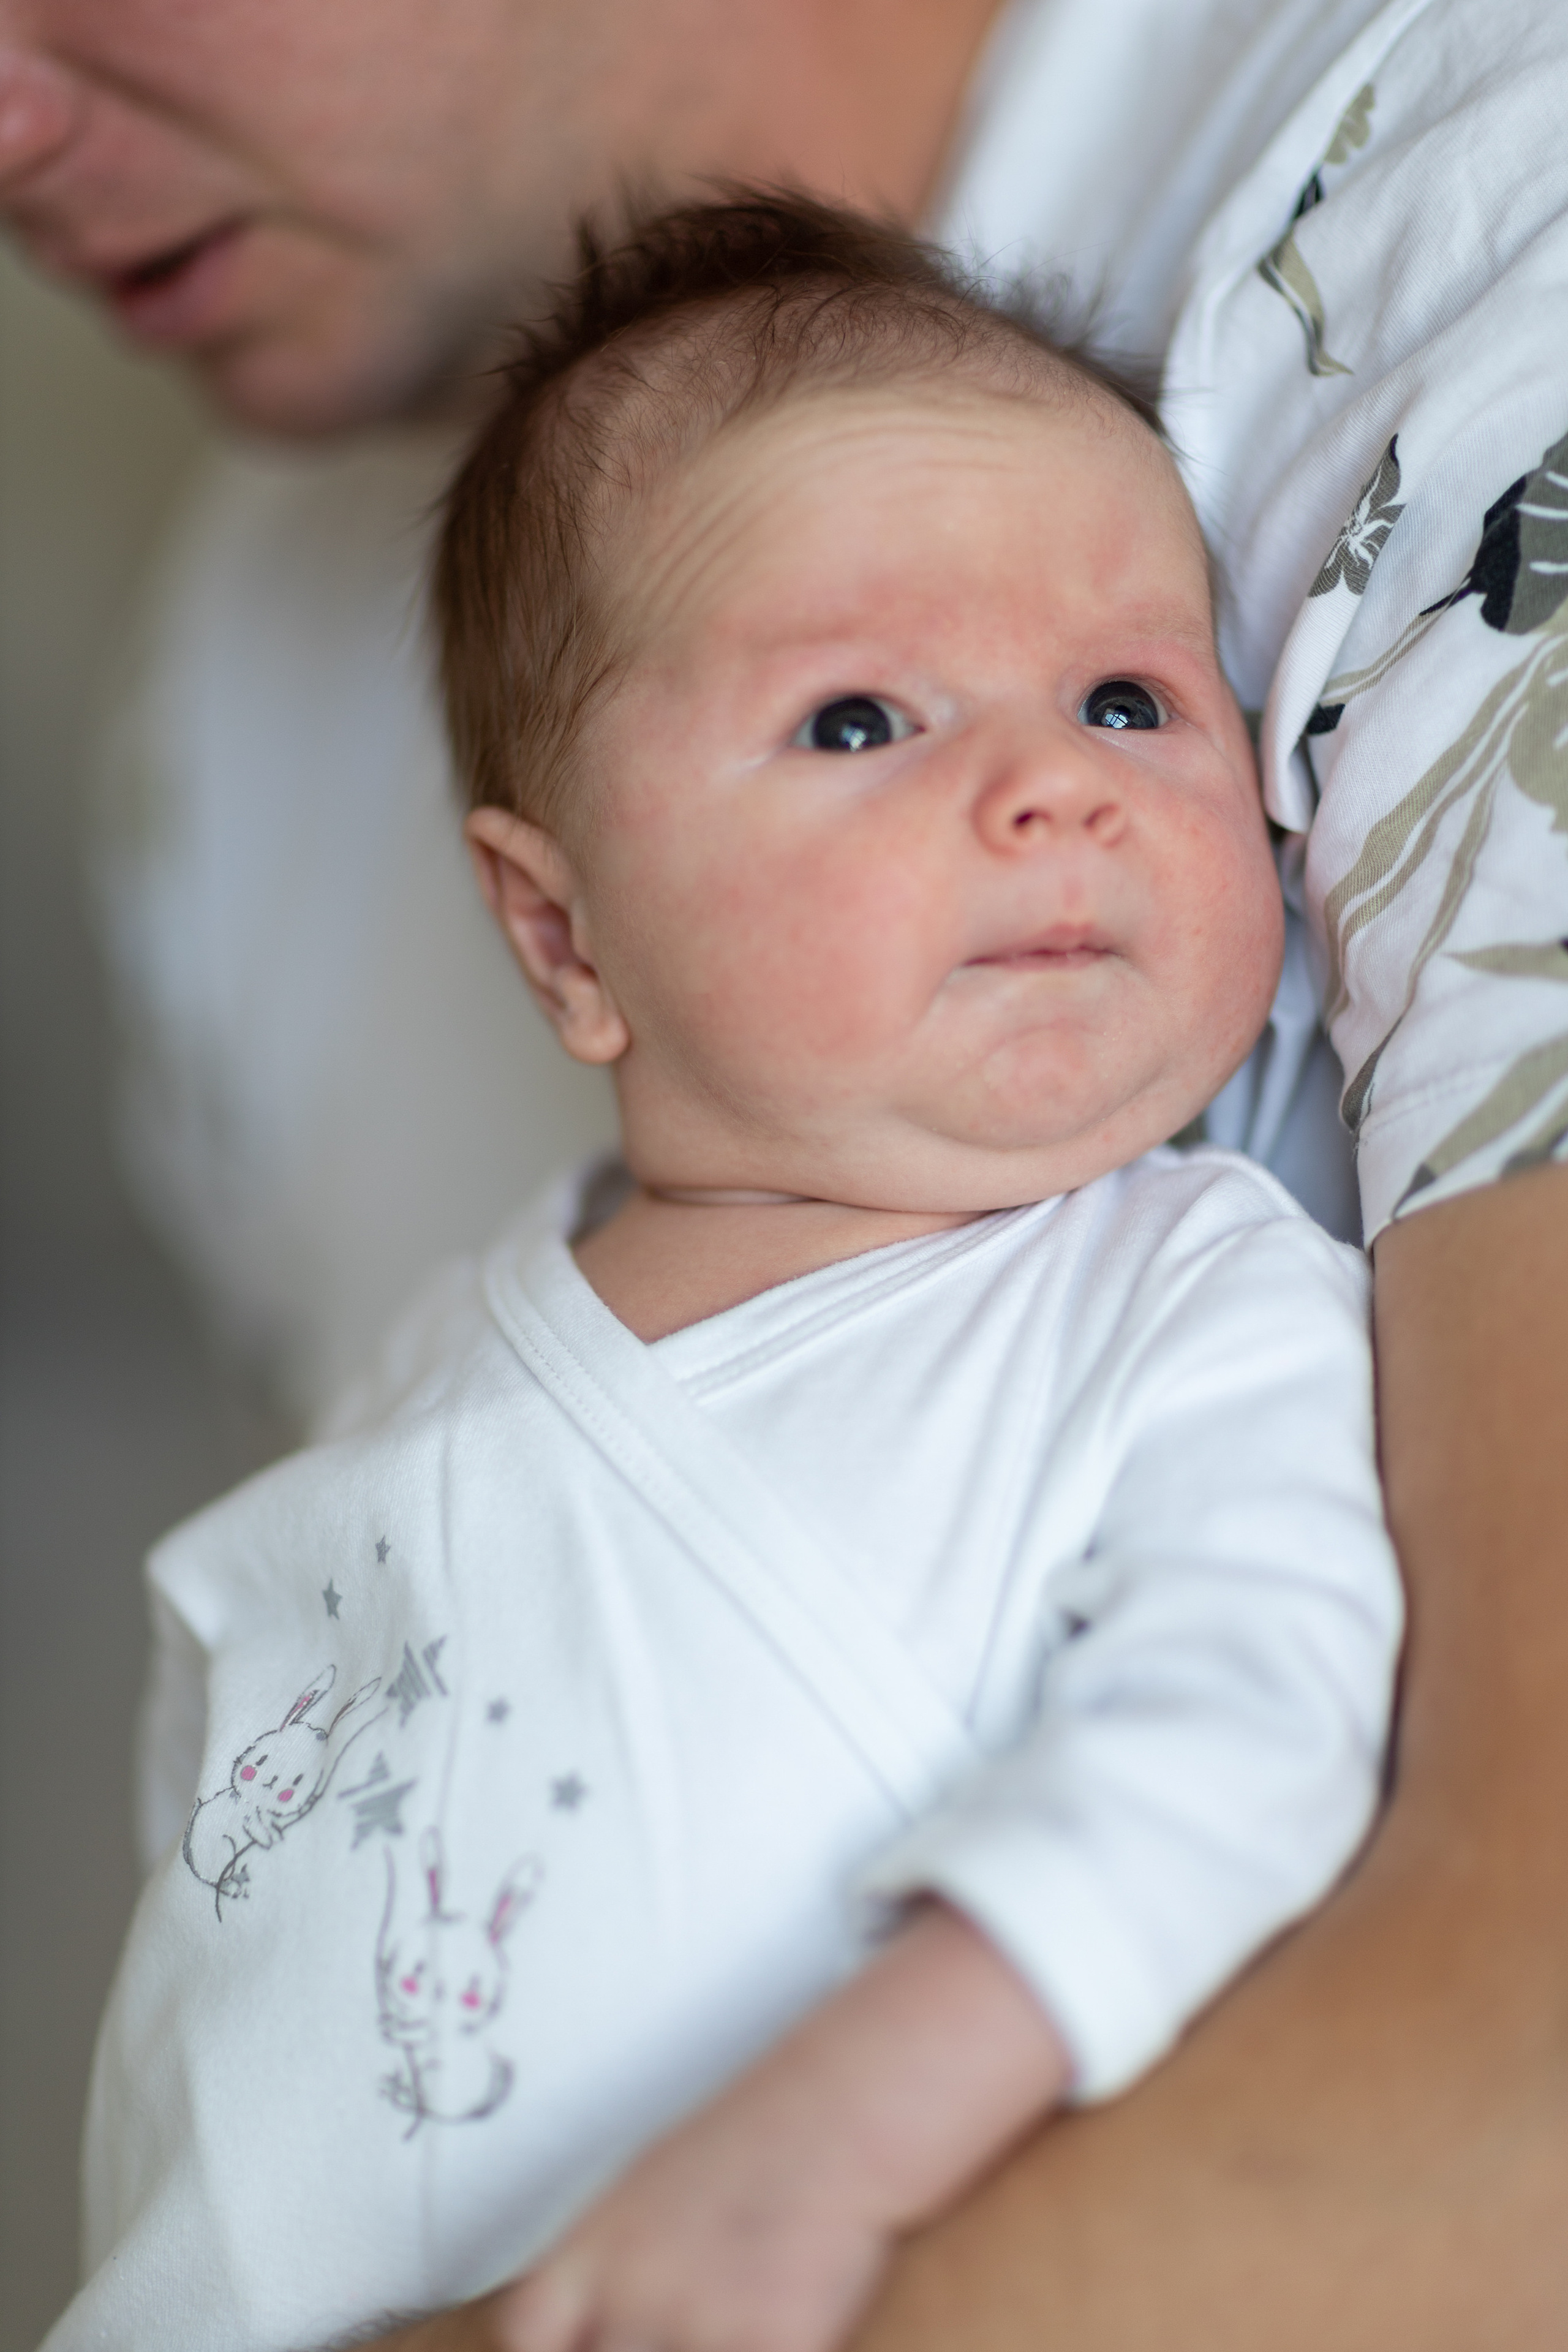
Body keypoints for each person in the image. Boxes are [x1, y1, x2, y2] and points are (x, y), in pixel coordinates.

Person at [2, 0, 1565, 2341]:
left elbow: (1257, 1747)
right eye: (857, 723)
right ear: (560, 927)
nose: (1052, 789)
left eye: (1140, 701)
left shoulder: (1179, 1304)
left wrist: (841, 2130)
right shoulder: (270, 730)